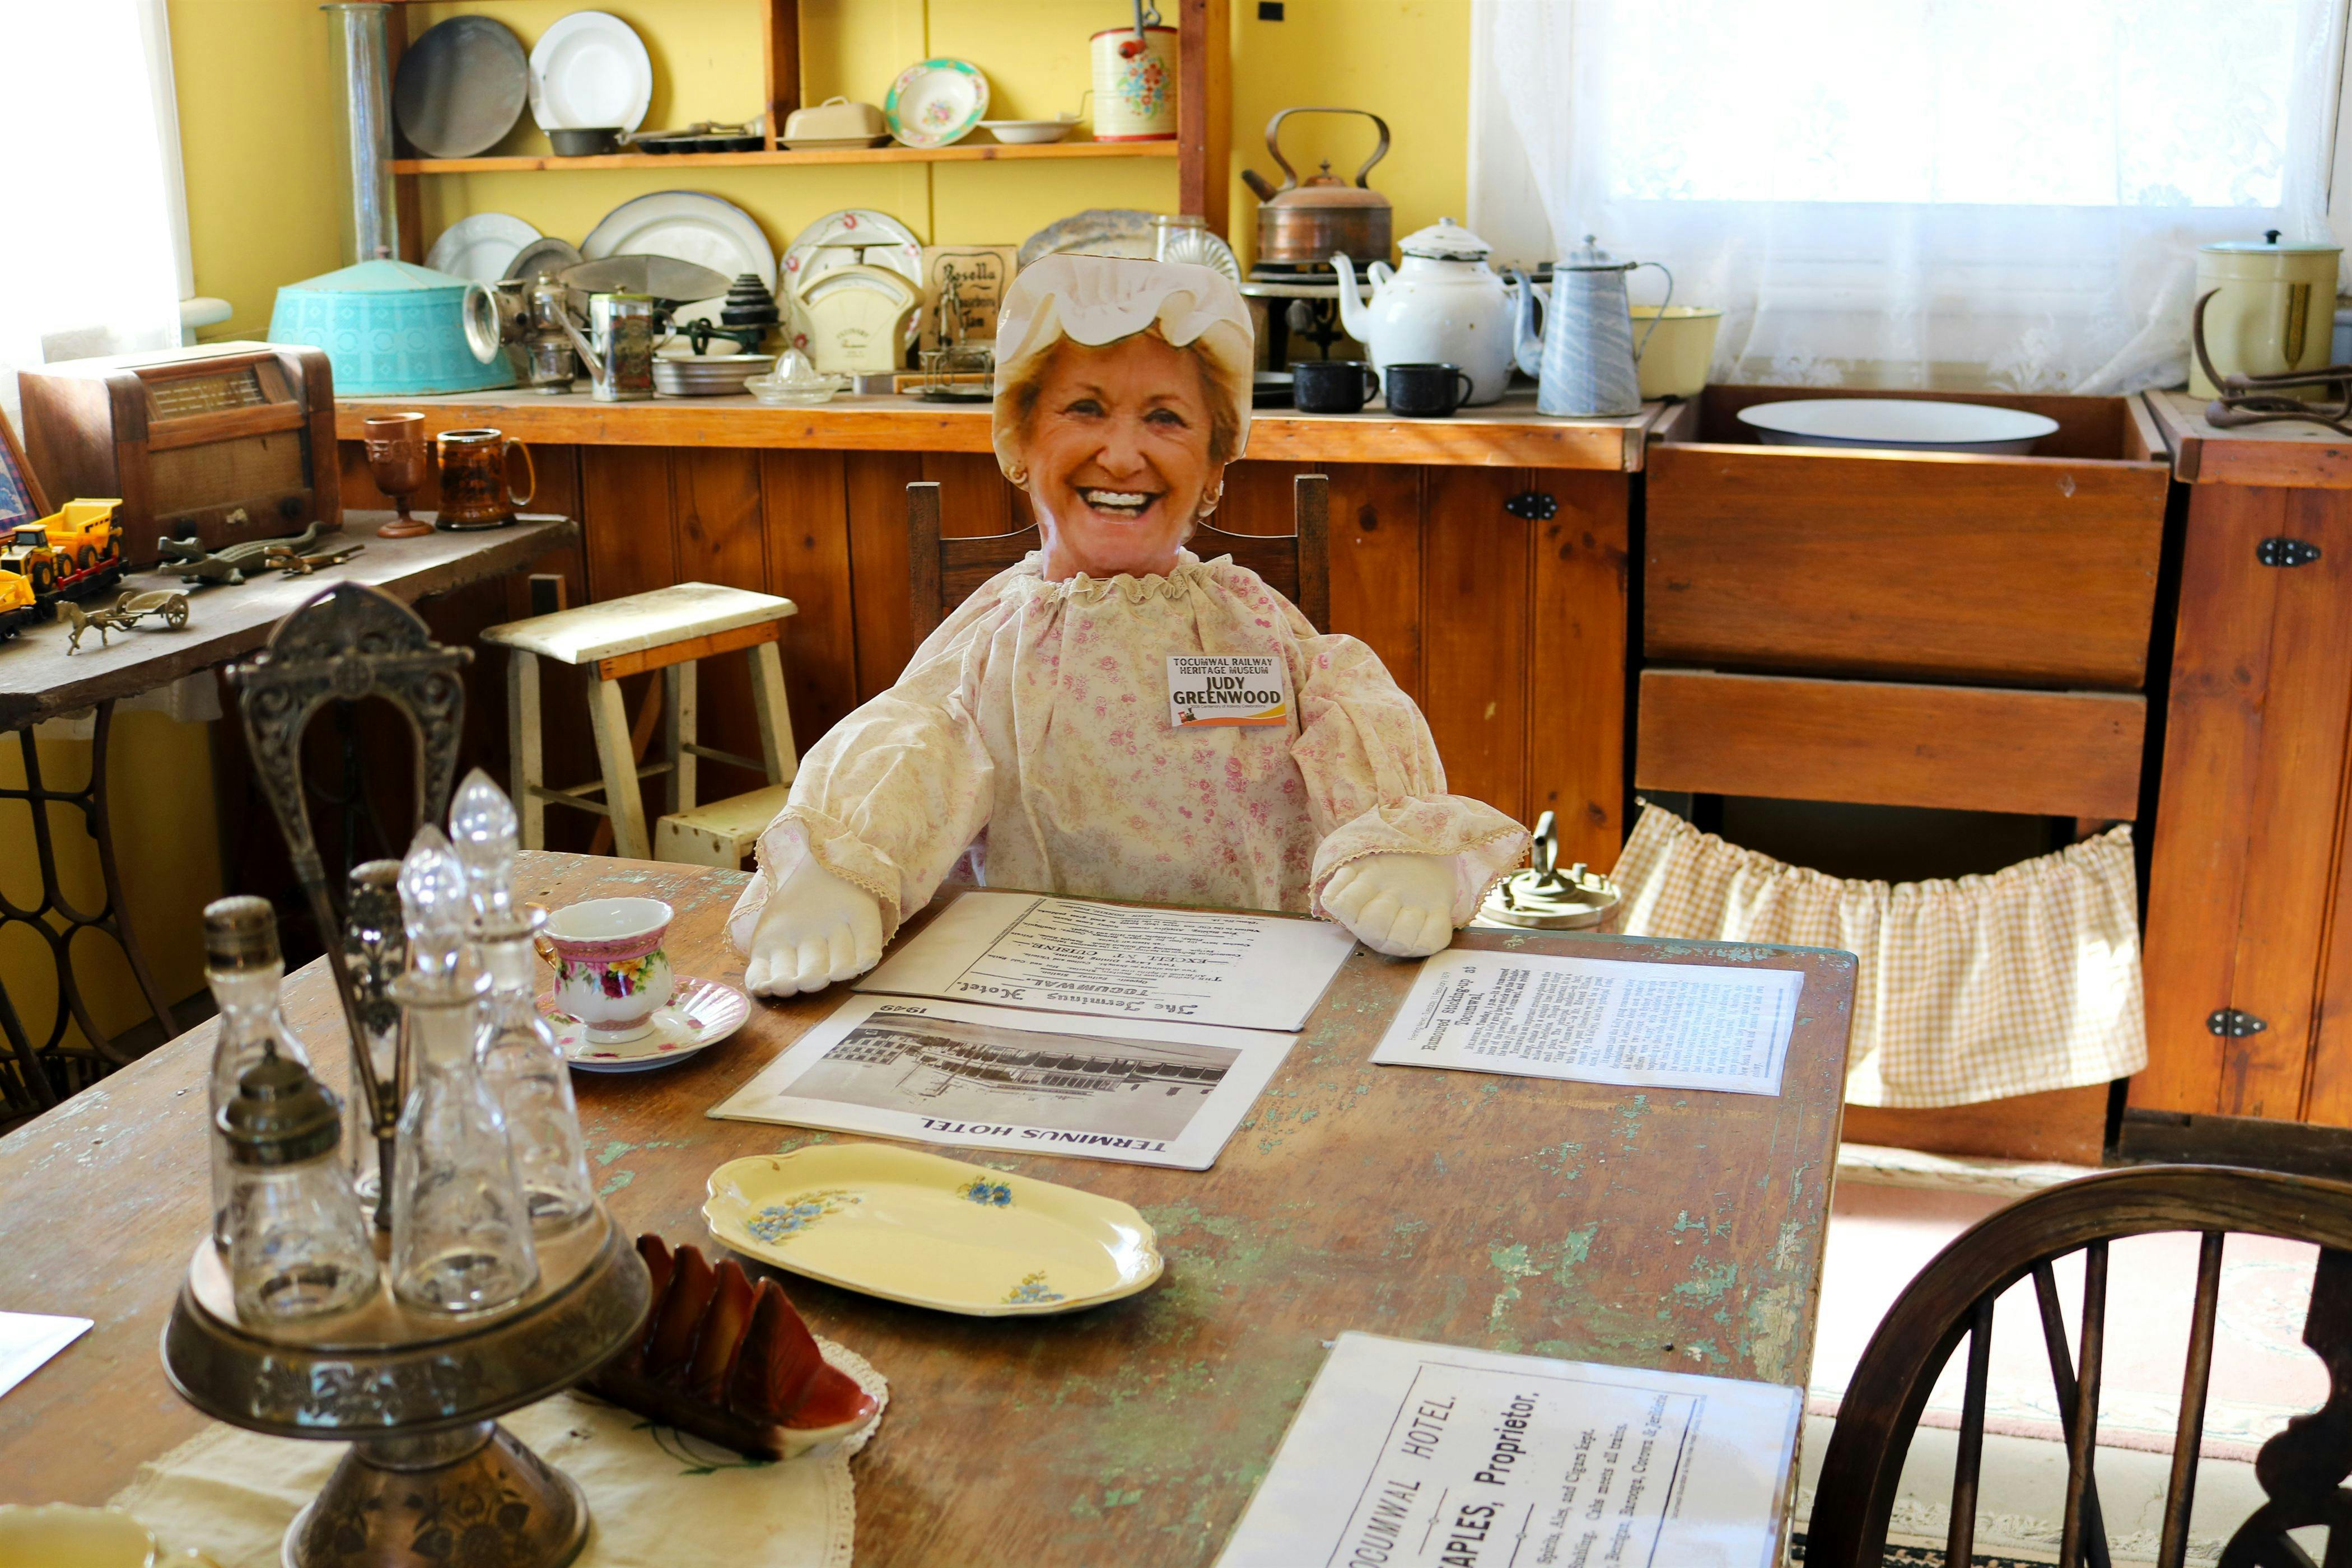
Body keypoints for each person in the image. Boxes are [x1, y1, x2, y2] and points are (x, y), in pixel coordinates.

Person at [732, 255, 1527, 995]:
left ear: (1215, 468)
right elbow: (917, 741)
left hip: (1251, 980)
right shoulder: (998, 638)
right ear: (1017, 442)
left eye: (1167, 418)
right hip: (1037, 984)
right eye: (1085, 409)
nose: (1121, 455)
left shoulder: (1251, 622)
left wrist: (1399, 848)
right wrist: (841, 870)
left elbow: (1350, 717)